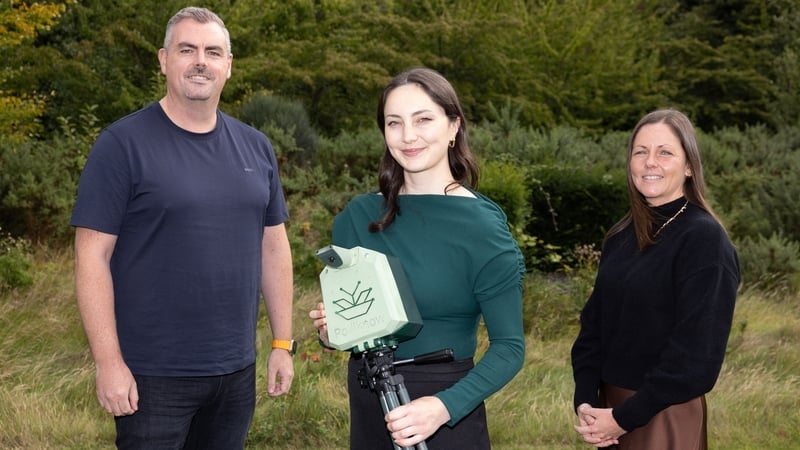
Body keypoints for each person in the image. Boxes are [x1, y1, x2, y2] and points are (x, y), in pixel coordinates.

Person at [71, 7, 295, 449]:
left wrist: (282, 343)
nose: (200, 61)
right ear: (163, 59)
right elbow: (90, 257)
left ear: (228, 65)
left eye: (213, 52)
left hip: (235, 372)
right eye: (187, 49)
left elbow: (274, 248)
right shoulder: (122, 145)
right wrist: (108, 362)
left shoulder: (256, 146)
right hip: (151, 376)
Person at [308, 67, 526, 449]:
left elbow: (509, 348)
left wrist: (443, 407)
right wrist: (333, 333)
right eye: (395, 123)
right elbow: (350, 327)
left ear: (453, 126)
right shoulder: (356, 218)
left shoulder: (483, 229)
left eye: (423, 119)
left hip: (445, 413)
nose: (408, 135)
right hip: (370, 399)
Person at [570, 109, 740, 449]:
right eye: (640, 152)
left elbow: (696, 358)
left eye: (665, 152)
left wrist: (624, 417)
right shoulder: (621, 236)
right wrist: (586, 400)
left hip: (664, 415)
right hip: (610, 414)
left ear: (689, 166)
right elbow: (593, 328)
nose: (650, 162)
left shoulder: (704, 240)